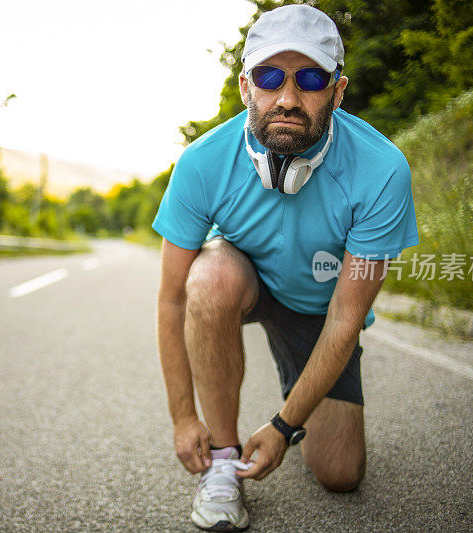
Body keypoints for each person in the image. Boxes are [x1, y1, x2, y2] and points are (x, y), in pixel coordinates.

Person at [152, 4, 419, 532]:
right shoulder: (202, 162)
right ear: (246, 86)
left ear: (338, 91)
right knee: (208, 278)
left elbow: (346, 319)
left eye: (311, 79)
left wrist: (281, 426)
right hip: (244, 280)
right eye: (270, 77)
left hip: (318, 312)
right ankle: (223, 465)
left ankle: (296, 392)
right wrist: (185, 417)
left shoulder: (382, 170)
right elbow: (173, 298)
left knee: (341, 473)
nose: (288, 98)